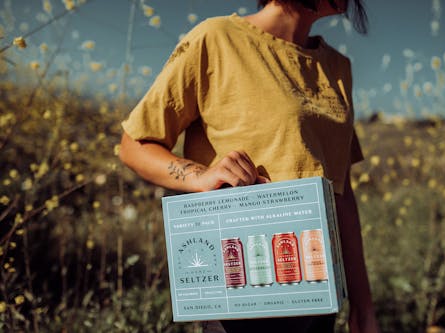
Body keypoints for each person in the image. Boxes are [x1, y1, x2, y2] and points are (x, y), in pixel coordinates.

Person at [119, 0, 380, 332]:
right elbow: (135, 145)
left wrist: (363, 303)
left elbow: (341, 195)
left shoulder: (338, 68)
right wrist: (201, 176)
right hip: (241, 287)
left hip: (317, 289)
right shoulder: (216, 38)